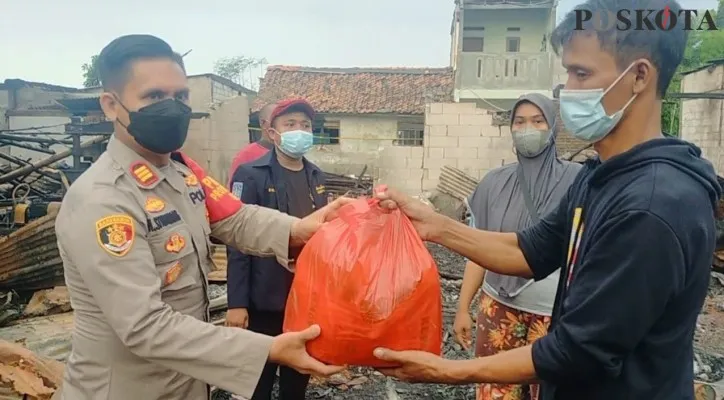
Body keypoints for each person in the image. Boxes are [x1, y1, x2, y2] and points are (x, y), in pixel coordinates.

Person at [370, 0, 721, 398]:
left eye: (581, 73)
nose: (567, 91)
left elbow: (577, 351)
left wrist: (449, 370)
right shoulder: (600, 176)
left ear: (639, 75)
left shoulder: (651, 206)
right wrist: (435, 225)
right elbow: (530, 250)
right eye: (567, 73)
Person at [53, 34, 346, 400]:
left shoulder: (179, 174)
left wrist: (302, 228)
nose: (172, 108)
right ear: (112, 105)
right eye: (154, 97)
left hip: (185, 381)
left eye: (180, 96)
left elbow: (235, 220)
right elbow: (145, 327)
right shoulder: (104, 199)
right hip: (128, 389)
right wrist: (266, 349)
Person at [453, 93, 581, 400]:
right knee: (495, 389)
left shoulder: (579, 181)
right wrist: (462, 308)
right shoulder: (494, 183)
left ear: (552, 128)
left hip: (554, 315)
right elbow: (479, 250)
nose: (528, 129)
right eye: (520, 122)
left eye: (538, 121)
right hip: (498, 308)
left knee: (552, 389)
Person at [226, 98, 325, 400]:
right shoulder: (250, 174)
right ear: (272, 133)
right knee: (259, 381)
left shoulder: (315, 176)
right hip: (263, 298)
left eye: (305, 125)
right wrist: (236, 303)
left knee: (297, 382)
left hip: (304, 300)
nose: (299, 130)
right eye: (290, 124)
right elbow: (238, 241)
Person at [228, 102, 276, 183]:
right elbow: (235, 191)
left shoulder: (291, 153)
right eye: (275, 119)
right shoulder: (246, 155)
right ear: (263, 123)